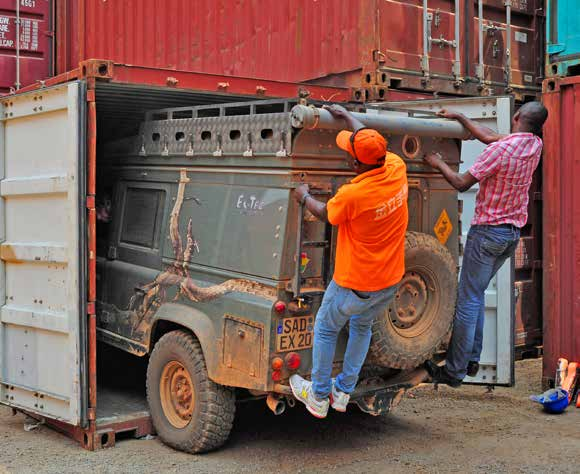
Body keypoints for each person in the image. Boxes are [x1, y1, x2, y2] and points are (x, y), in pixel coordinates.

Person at [290, 104, 409, 418]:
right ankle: (342, 392)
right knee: (362, 327)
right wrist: (347, 118)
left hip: (355, 283)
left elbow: (326, 213)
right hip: (389, 280)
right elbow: (371, 142)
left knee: (327, 329)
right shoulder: (396, 167)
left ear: (355, 163)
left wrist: (303, 196)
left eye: (350, 152)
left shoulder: (353, 195)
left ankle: (317, 396)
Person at [422, 101, 548, 387]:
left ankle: (453, 372)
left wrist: (436, 161)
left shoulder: (500, 151)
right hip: (510, 236)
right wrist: (462, 117)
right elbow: (488, 136)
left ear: (516, 117)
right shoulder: (533, 145)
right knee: (475, 295)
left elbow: (461, 182)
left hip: (487, 234)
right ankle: (471, 359)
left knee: (467, 300)